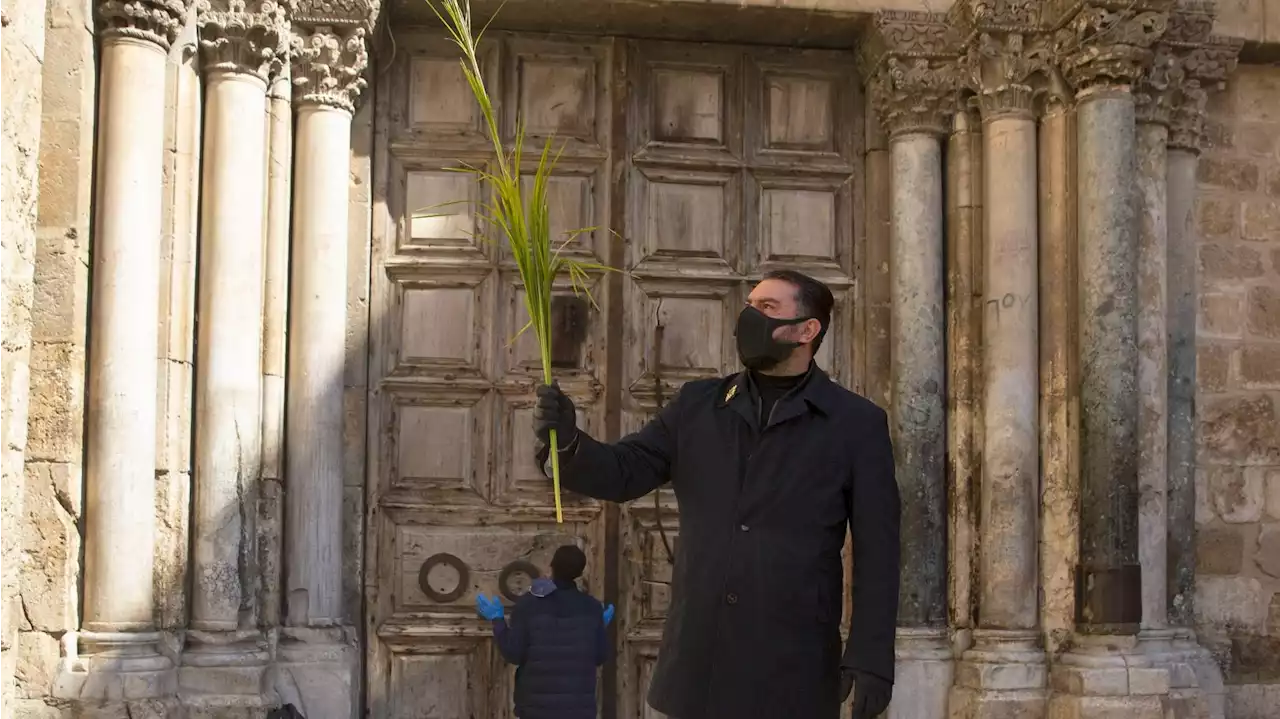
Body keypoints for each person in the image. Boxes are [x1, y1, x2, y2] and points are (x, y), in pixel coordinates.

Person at [533, 269, 900, 719]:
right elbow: (624, 473)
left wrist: (871, 657)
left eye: (767, 308)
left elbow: (878, 550)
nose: (750, 316)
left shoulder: (855, 424)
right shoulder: (698, 405)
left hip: (794, 664)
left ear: (808, 330)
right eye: (749, 305)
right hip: (701, 658)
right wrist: (569, 441)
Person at [475, 544, 616, 719]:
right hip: (579, 711)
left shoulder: (528, 605)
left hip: (535, 710)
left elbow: (514, 654)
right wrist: (599, 628)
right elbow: (600, 656)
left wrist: (497, 620)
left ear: (552, 567)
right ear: (580, 573)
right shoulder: (592, 608)